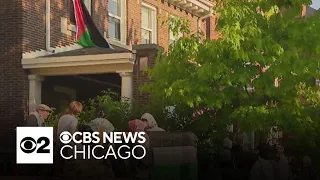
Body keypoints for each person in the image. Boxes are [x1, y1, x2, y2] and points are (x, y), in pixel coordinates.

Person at [54, 101, 83, 177]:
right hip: (67, 143)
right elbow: (72, 133)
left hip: (59, 141)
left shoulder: (62, 117)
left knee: (59, 163)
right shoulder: (73, 119)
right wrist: (79, 140)